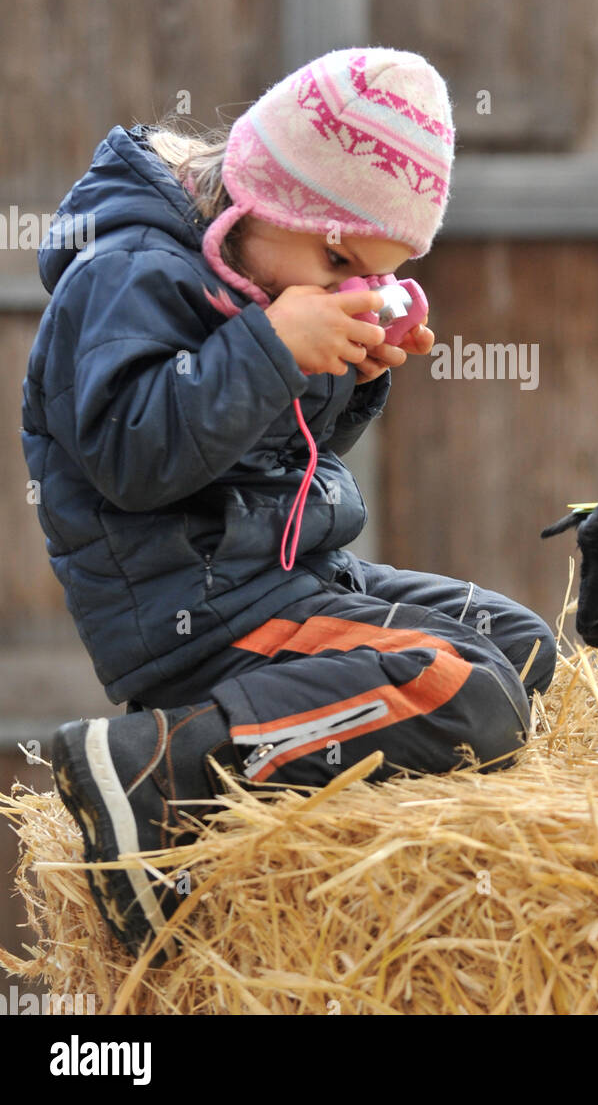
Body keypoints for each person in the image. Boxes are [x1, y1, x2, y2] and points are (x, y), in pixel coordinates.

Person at [22, 47, 558, 961]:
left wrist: (348, 372)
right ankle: (154, 769)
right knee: (467, 694)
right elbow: (132, 460)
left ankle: (274, 767)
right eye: (339, 259)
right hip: (196, 613)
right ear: (260, 199)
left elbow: (272, 457)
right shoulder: (126, 276)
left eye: (370, 276)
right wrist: (273, 350)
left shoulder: (259, 273)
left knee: (521, 645)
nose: (343, 284)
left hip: (281, 574)